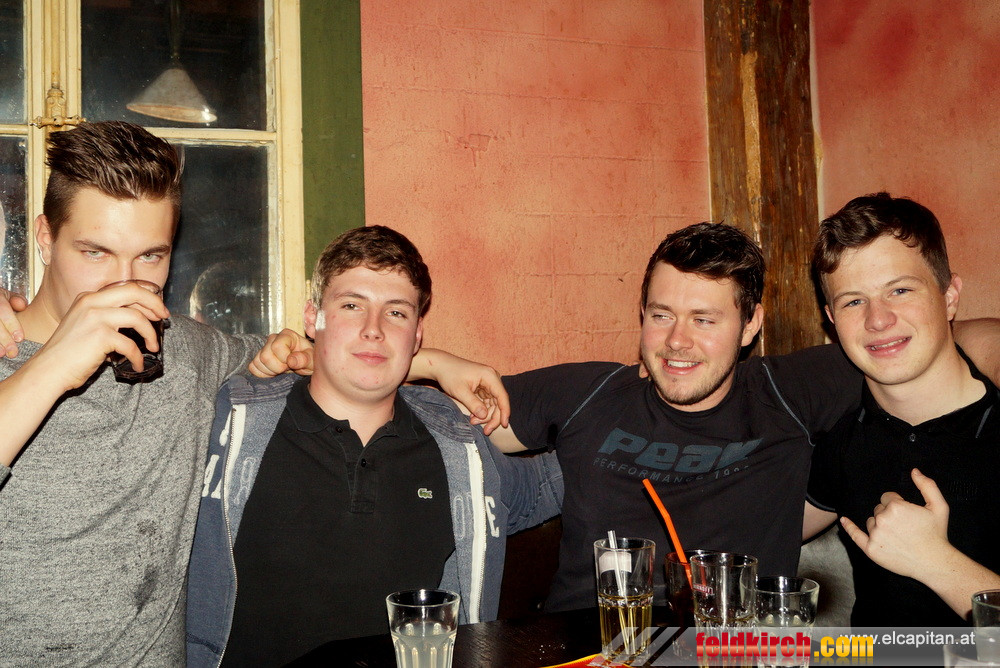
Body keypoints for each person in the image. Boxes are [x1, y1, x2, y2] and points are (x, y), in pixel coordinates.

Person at [0, 122, 503, 665]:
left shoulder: (187, 352)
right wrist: (52, 365)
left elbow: (321, 358)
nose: (125, 284)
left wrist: (434, 363)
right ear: (45, 239)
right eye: (95, 253)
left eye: (150, 257)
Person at [417, 222, 1000, 614]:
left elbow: (935, 341)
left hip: (735, 649)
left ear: (751, 326)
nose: (677, 342)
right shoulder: (588, 392)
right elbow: (432, 419)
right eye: (661, 315)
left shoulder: (792, 392)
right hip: (587, 649)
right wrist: (434, 361)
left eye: (704, 319)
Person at [185, 225, 563, 667]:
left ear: (417, 334)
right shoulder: (228, 423)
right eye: (351, 305)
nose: (373, 330)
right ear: (312, 318)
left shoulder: (460, 450)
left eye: (396, 313)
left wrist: (626, 398)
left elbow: (556, 479)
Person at [803, 193, 1000, 626]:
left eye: (900, 290)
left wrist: (934, 561)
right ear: (831, 319)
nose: (878, 319)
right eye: (853, 301)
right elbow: (759, 532)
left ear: (950, 296)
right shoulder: (844, 440)